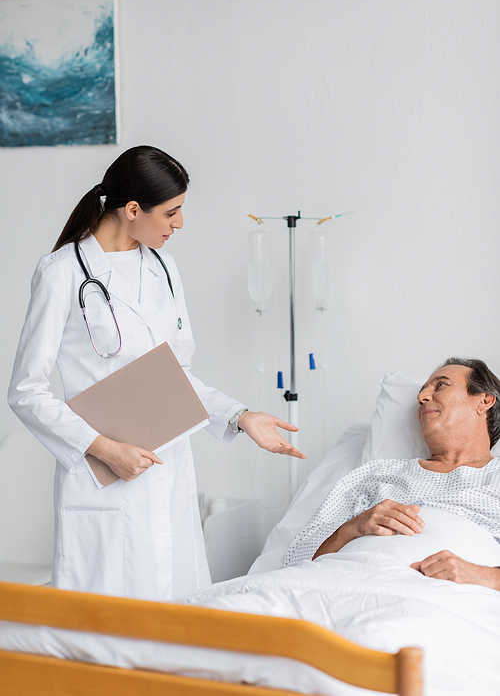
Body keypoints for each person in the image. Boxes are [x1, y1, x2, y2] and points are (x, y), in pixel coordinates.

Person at [8, 145, 303, 602]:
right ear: (131, 210)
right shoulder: (62, 272)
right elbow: (26, 392)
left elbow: (175, 376)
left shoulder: (163, 266)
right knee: (107, 632)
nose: (179, 224)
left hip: (169, 471)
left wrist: (241, 417)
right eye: (171, 213)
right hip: (103, 480)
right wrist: (105, 450)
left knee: (175, 616)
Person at [284, 357, 500, 591]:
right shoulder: (377, 473)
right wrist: (352, 528)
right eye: (422, 391)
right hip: (336, 584)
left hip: (432, 596)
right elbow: (296, 562)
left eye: (441, 385)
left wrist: (481, 575)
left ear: (484, 400)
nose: (422, 397)